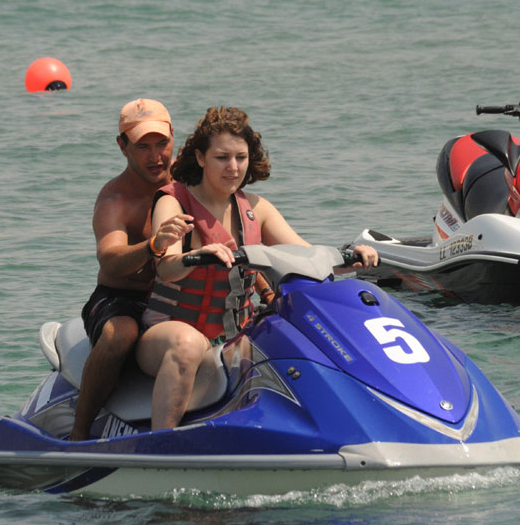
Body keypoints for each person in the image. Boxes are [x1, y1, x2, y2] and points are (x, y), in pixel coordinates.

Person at [135, 106, 378, 431]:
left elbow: (304, 257)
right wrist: (198, 255)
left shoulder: (255, 208)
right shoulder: (174, 202)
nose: (233, 167)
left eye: (241, 157)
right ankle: (162, 441)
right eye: (222, 157)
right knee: (188, 344)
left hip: (232, 335)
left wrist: (351, 256)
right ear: (201, 157)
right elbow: (166, 269)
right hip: (168, 333)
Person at [72, 98, 190, 441]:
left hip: (178, 294)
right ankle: (79, 434)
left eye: (162, 144)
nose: (156, 157)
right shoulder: (115, 199)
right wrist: (153, 245)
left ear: (174, 137)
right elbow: (110, 259)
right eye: (143, 147)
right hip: (121, 298)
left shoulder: (191, 179)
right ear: (123, 146)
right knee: (120, 334)